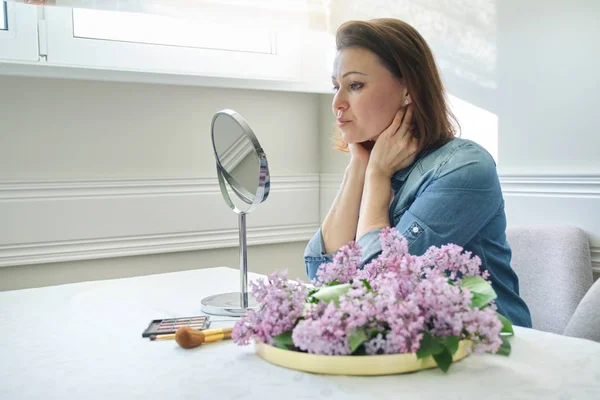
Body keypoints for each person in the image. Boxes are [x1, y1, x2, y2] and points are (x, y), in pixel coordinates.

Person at [304, 18, 532, 327]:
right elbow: (323, 278)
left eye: (355, 85)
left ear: (408, 90)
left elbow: (379, 287)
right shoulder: (373, 163)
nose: (337, 103)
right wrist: (359, 164)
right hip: (407, 351)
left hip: (488, 354)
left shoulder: (465, 168)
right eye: (336, 87)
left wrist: (376, 177)